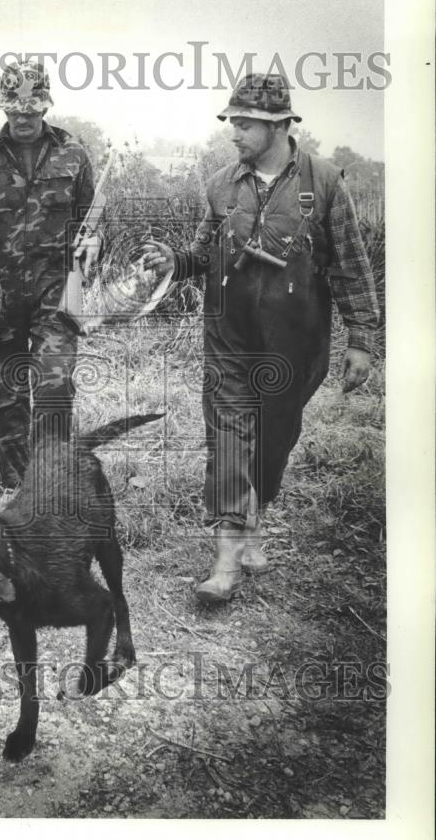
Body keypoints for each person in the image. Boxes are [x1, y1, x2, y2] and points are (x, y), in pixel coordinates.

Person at [144, 74, 379, 603]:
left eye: (244, 123)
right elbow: (202, 255)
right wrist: (172, 261)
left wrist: (361, 338)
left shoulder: (323, 182)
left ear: (277, 126)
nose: (233, 132)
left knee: (274, 439)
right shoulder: (222, 184)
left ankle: (256, 517)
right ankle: (225, 563)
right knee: (228, 438)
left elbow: (350, 265)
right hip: (229, 336)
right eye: (231, 122)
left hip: (295, 341)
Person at [0, 59, 96, 500]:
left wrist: (96, 241)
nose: (24, 118)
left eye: (32, 110)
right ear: (4, 108)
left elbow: (93, 220)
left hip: (55, 289)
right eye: (15, 110)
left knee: (55, 381)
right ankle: (16, 486)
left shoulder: (74, 154)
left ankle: (50, 479)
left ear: (46, 105)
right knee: (8, 391)